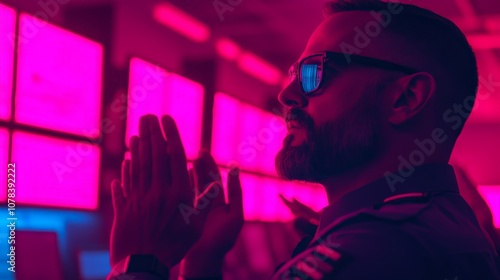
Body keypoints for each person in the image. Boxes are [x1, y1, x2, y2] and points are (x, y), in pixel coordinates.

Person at [107, 0, 500, 279]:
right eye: (294, 72)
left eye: (314, 72)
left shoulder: (370, 253)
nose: (287, 95)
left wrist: (140, 262)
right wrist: (203, 260)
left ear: (405, 98)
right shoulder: (434, 225)